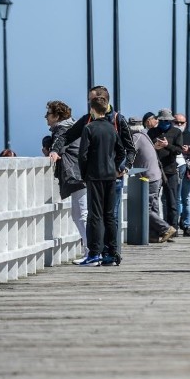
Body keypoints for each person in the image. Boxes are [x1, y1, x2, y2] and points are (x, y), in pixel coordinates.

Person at [49, 85, 136, 254]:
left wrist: (124, 167)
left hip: (113, 175)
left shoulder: (118, 119)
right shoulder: (87, 120)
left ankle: (110, 252)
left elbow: (129, 148)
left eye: (90, 99)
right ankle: (100, 251)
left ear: (100, 99)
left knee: (110, 215)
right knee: (96, 215)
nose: (88, 103)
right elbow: (67, 136)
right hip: (95, 175)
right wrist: (54, 150)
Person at [78, 95, 128, 266]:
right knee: (109, 216)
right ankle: (112, 252)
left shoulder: (89, 128)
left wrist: (84, 174)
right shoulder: (111, 128)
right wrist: (115, 167)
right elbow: (121, 151)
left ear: (92, 109)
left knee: (95, 216)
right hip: (110, 176)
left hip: (94, 176)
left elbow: (83, 155)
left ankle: (94, 253)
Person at [45, 100, 88, 254]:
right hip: (82, 173)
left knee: (81, 215)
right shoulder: (72, 125)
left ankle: (92, 252)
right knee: (79, 214)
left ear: (57, 116)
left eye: (48, 114)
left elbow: (59, 148)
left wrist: (49, 146)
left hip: (77, 174)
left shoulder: (62, 129)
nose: (46, 117)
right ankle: (90, 250)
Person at [128, 116, 177, 243]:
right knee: (153, 206)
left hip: (148, 177)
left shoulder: (136, 137)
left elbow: (129, 154)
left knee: (145, 208)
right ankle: (153, 235)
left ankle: (166, 228)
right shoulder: (145, 136)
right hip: (156, 175)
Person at [148, 109, 186, 236]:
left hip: (170, 170)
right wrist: (155, 146)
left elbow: (179, 150)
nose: (165, 123)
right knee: (153, 202)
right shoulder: (152, 131)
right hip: (155, 170)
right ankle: (158, 229)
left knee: (172, 201)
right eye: (162, 121)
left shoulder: (176, 132)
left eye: (167, 121)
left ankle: (173, 229)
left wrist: (167, 145)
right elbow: (148, 149)